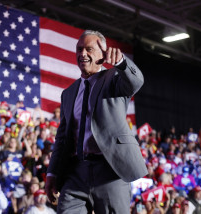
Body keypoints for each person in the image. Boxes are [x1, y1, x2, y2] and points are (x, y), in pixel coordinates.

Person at [45, 30, 147, 213]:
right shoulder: (68, 93)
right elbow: (61, 139)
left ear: (103, 54)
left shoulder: (114, 78)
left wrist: (122, 63)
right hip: (75, 172)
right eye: (79, 49)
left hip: (110, 171)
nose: (82, 54)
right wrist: (52, 173)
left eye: (89, 49)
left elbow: (136, 82)